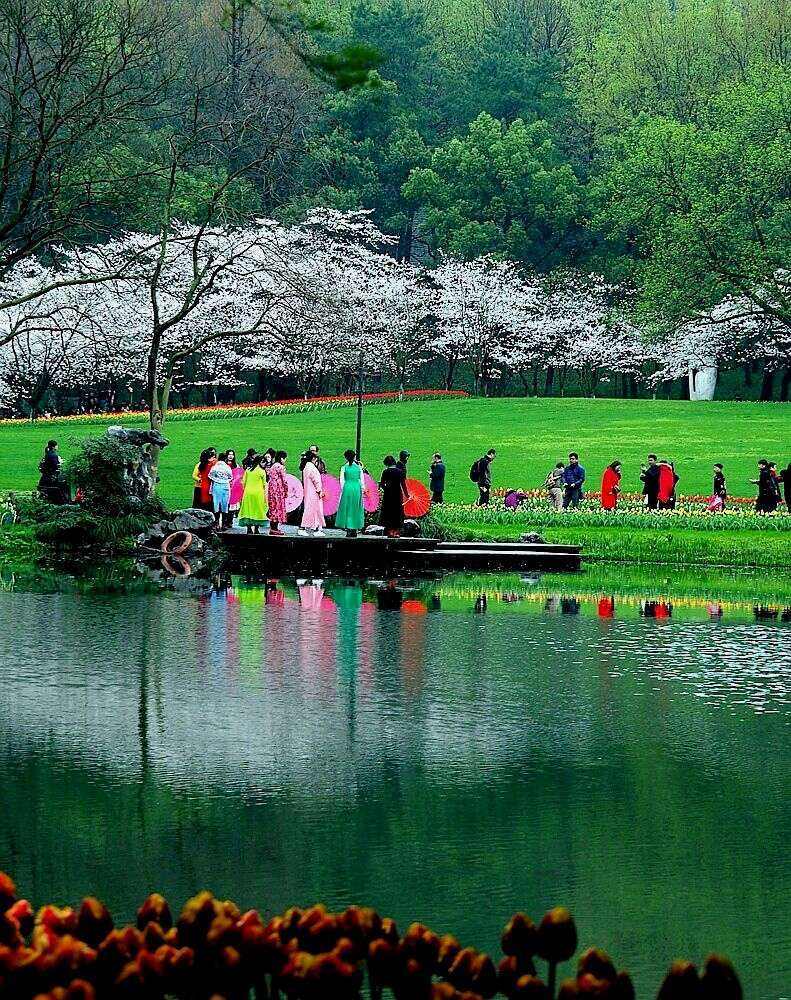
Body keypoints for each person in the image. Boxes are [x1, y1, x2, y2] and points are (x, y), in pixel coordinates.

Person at [337, 449, 365, 537]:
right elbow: (361, 480)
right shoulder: (359, 467)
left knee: (347, 508)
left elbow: (341, 481)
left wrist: (343, 490)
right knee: (356, 508)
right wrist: (362, 489)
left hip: (347, 487)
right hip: (356, 488)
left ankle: (349, 528)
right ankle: (355, 528)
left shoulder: (344, 467)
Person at [238, 455, 268, 534]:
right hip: (258, 493)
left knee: (248, 509)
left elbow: (243, 482)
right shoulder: (262, 471)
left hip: (248, 493)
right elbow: (264, 484)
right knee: (257, 510)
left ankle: (248, 528)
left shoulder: (248, 470)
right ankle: (256, 528)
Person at [299, 451, 326, 536]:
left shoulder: (306, 467)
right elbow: (316, 481)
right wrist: (319, 490)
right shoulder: (312, 468)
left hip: (309, 491)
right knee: (313, 510)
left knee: (311, 510)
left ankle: (315, 528)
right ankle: (304, 528)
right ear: (313, 459)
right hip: (314, 493)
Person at [379, 454, 406, 536]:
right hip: (398, 494)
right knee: (397, 512)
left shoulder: (386, 472)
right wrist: (407, 494)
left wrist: (386, 489)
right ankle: (396, 531)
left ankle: (390, 530)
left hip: (388, 495)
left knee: (389, 512)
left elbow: (382, 484)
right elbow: (403, 484)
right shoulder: (400, 472)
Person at [37, 440, 69, 504]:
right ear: (54, 447)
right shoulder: (53, 455)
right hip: (50, 477)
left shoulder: (47, 454)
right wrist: (60, 462)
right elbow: (56, 466)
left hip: (45, 477)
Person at [208, 451, 234, 529]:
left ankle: (216, 523)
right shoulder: (227, 467)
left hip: (217, 486)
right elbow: (230, 477)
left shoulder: (215, 467)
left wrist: (217, 479)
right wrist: (224, 480)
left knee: (216, 503)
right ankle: (224, 523)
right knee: (225, 504)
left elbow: (210, 475)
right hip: (225, 486)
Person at [266, 450, 289, 536]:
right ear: (282, 458)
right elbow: (284, 481)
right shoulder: (280, 467)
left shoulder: (273, 466)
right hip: (278, 491)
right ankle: (274, 528)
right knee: (278, 508)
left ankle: (273, 527)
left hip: (271, 490)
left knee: (273, 508)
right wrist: (286, 491)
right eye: (285, 459)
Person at [227, 450, 245, 526]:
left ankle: (230, 521)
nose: (231, 456)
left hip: (233, 488)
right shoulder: (224, 465)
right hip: (226, 486)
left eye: (232, 454)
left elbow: (239, 475)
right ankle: (225, 521)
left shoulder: (236, 465)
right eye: (229, 454)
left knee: (232, 505)